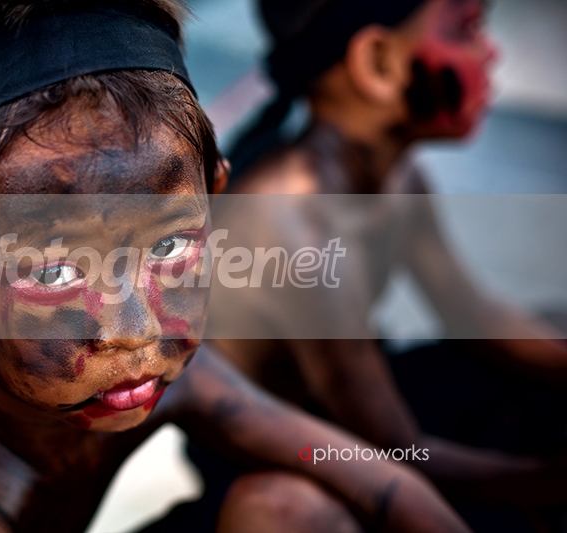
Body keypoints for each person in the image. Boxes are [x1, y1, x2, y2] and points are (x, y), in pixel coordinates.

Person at [0, 1, 472, 532]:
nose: (134, 329)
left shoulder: (140, 362)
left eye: (169, 247)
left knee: (290, 509)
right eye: (52, 273)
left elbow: (362, 468)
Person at [204, 0, 567, 531]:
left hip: (360, 412)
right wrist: (545, 482)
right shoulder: (298, 229)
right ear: (377, 62)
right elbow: (395, 447)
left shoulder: (397, 179)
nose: (490, 54)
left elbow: (477, 316)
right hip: (295, 450)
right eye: (466, 30)